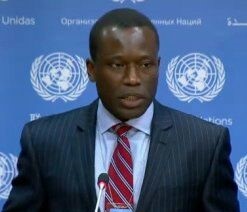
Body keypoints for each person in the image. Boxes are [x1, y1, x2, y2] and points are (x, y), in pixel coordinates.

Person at [3, 8, 239, 212]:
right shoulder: (45, 141)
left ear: (158, 66)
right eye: (117, 65)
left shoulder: (205, 144)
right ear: (91, 69)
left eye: (145, 65)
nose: (133, 79)